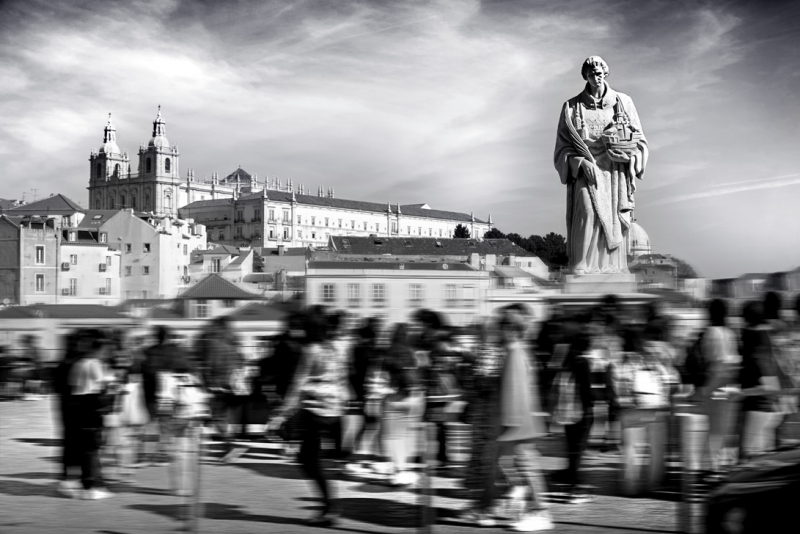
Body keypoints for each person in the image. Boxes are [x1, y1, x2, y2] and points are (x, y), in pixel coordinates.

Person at [554, 56, 648, 274]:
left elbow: (640, 140)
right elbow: (561, 149)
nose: (596, 77)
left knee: (614, 217)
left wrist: (629, 155)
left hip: (614, 171)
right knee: (587, 210)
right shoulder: (571, 107)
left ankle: (610, 267)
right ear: (585, 76)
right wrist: (579, 161)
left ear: (605, 74)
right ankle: (582, 263)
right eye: (591, 74)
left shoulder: (623, 102)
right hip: (586, 170)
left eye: (599, 73)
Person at [268, 306, 350, 526]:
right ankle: (329, 507)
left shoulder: (311, 350)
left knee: (308, 459)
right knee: (311, 458)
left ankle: (330, 508)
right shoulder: (333, 347)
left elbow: (298, 384)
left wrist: (281, 414)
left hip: (315, 409)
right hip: (333, 409)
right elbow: (342, 377)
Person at [481, 305, 553, 532]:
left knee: (526, 466)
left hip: (517, 423)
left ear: (510, 329)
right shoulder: (518, 351)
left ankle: (540, 511)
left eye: (500, 327)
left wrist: (510, 423)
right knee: (509, 464)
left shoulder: (514, 353)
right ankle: (521, 497)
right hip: (517, 422)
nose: (496, 331)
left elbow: (515, 390)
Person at [609, 324, 677, 496]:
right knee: (656, 451)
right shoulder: (652, 358)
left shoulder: (619, 362)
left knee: (631, 450)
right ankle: (654, 485)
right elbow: (671, 380)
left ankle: (629, 487)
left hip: (630, 410)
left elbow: (614, 385)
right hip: (656, 410)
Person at [460, 317, 506, 526]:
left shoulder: (486, 353)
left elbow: (481, 385)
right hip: (491, 414)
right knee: (489, 460)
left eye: (478, 331)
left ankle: (486, 508)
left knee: (487, 460)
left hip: (486, 415)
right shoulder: (498, 352)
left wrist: (468, 368)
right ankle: (486, 504)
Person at [733, 301, 783, 461]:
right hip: (765, 409)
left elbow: (771, 386)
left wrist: (741, 393)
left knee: (748, 461)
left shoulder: (758, 348)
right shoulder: (766, 339)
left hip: (759, 409)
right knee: (758, 462)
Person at [695, 299, 740, 473]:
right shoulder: (730, 332)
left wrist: (706, 388)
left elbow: (715, 361)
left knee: (715, 431)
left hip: (716, 383)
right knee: (726, 430)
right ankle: (725, 466)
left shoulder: (711, 332)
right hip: (731, 385)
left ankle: (713, 469)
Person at [68, 330, 114, 499]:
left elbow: (73, 386)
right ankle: (90, 487)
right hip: (91, 405)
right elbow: (105, 382)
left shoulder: (78, 363)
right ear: (98, 350)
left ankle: (87, 483)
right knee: (92, 447)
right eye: (104, 350)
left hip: (77, 406)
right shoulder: (94, 363)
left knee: (86, 447)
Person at [558, 328, 595, 503]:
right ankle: (574, 490)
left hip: (567, 412)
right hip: (581, 412)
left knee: (572, 449)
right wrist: (592, 407)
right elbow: (586, 390)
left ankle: (570, 481)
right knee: (578, 451)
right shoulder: (583, 362)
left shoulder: (567, 360)